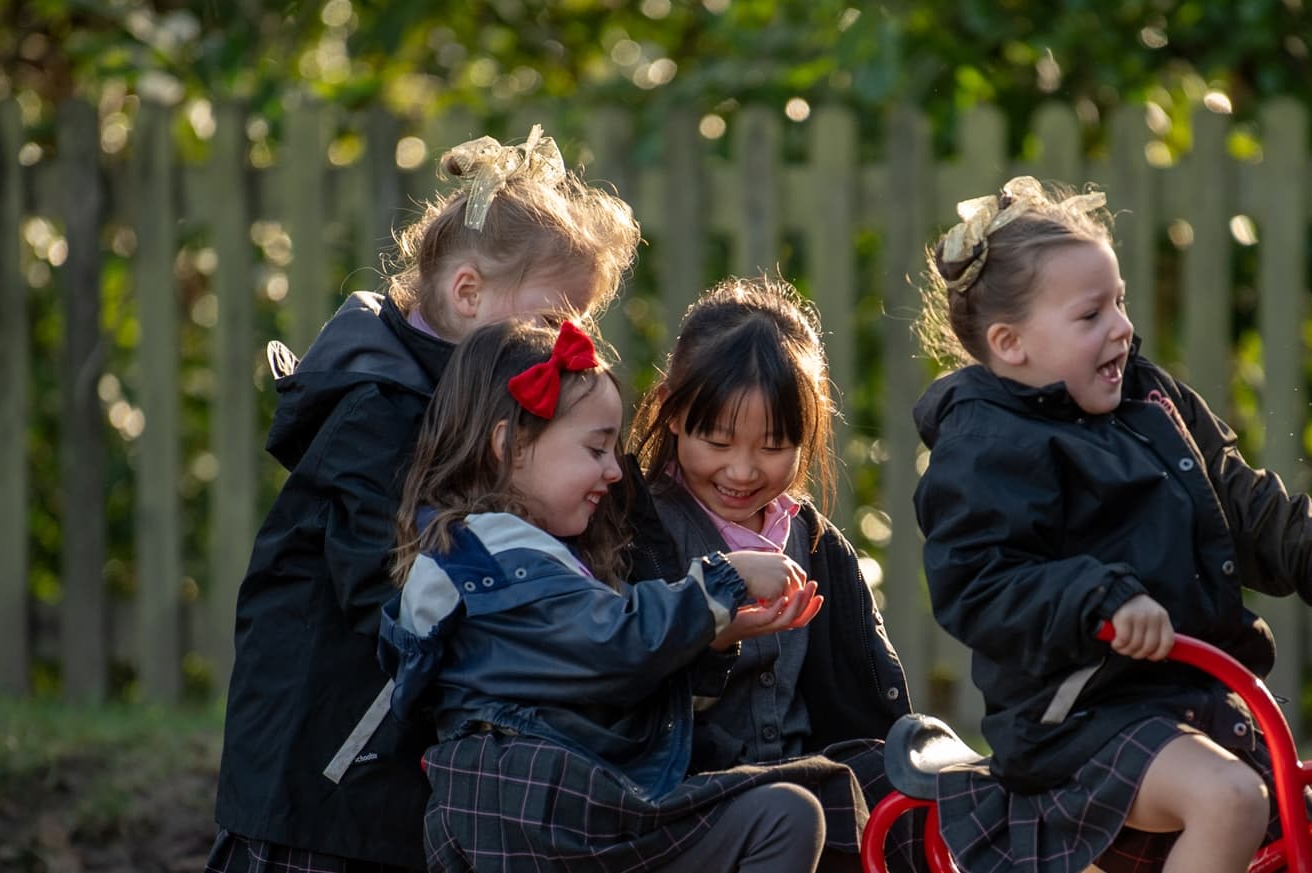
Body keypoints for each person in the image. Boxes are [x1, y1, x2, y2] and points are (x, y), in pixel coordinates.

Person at [910, 177, 1312, 873]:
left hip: (1193, 701)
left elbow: (1241, 504)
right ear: (1010, 343)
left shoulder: (1151, 402)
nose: (1121, 326)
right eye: (1090, 314)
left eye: (1118, 301)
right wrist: (1100, 597)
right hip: (1079, 722)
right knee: (1233, 801)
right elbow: (978, 580)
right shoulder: (988, 441)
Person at [208, 127, 641, 872]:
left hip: (394, 790)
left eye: (580, 322)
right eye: (549, 317)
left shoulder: (484, 404)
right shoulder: (375, 412)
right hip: (321, 785)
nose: (566, 340)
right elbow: (394, 578)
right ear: (467, 292)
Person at [380, 317, 864, 873]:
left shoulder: (531, 555)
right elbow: (613, 642)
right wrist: (723, 580)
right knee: (789, 813)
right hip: (533, 807)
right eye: (596, 450)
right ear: (510, 446)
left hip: (551, 806)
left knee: (791, 809)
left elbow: (614, 684)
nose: (615, 471)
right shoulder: (496, 560)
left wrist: (712, 641)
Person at [624, 277, 915, 873]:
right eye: (718, 440)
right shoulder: (640, 535)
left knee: (920, 792)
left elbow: (862, 693)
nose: (742, 470)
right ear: (671, 413)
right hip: (688, 796)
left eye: (775, 445)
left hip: (806, 775)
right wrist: (713, 638)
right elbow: (621, 688)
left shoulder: (813, 541)